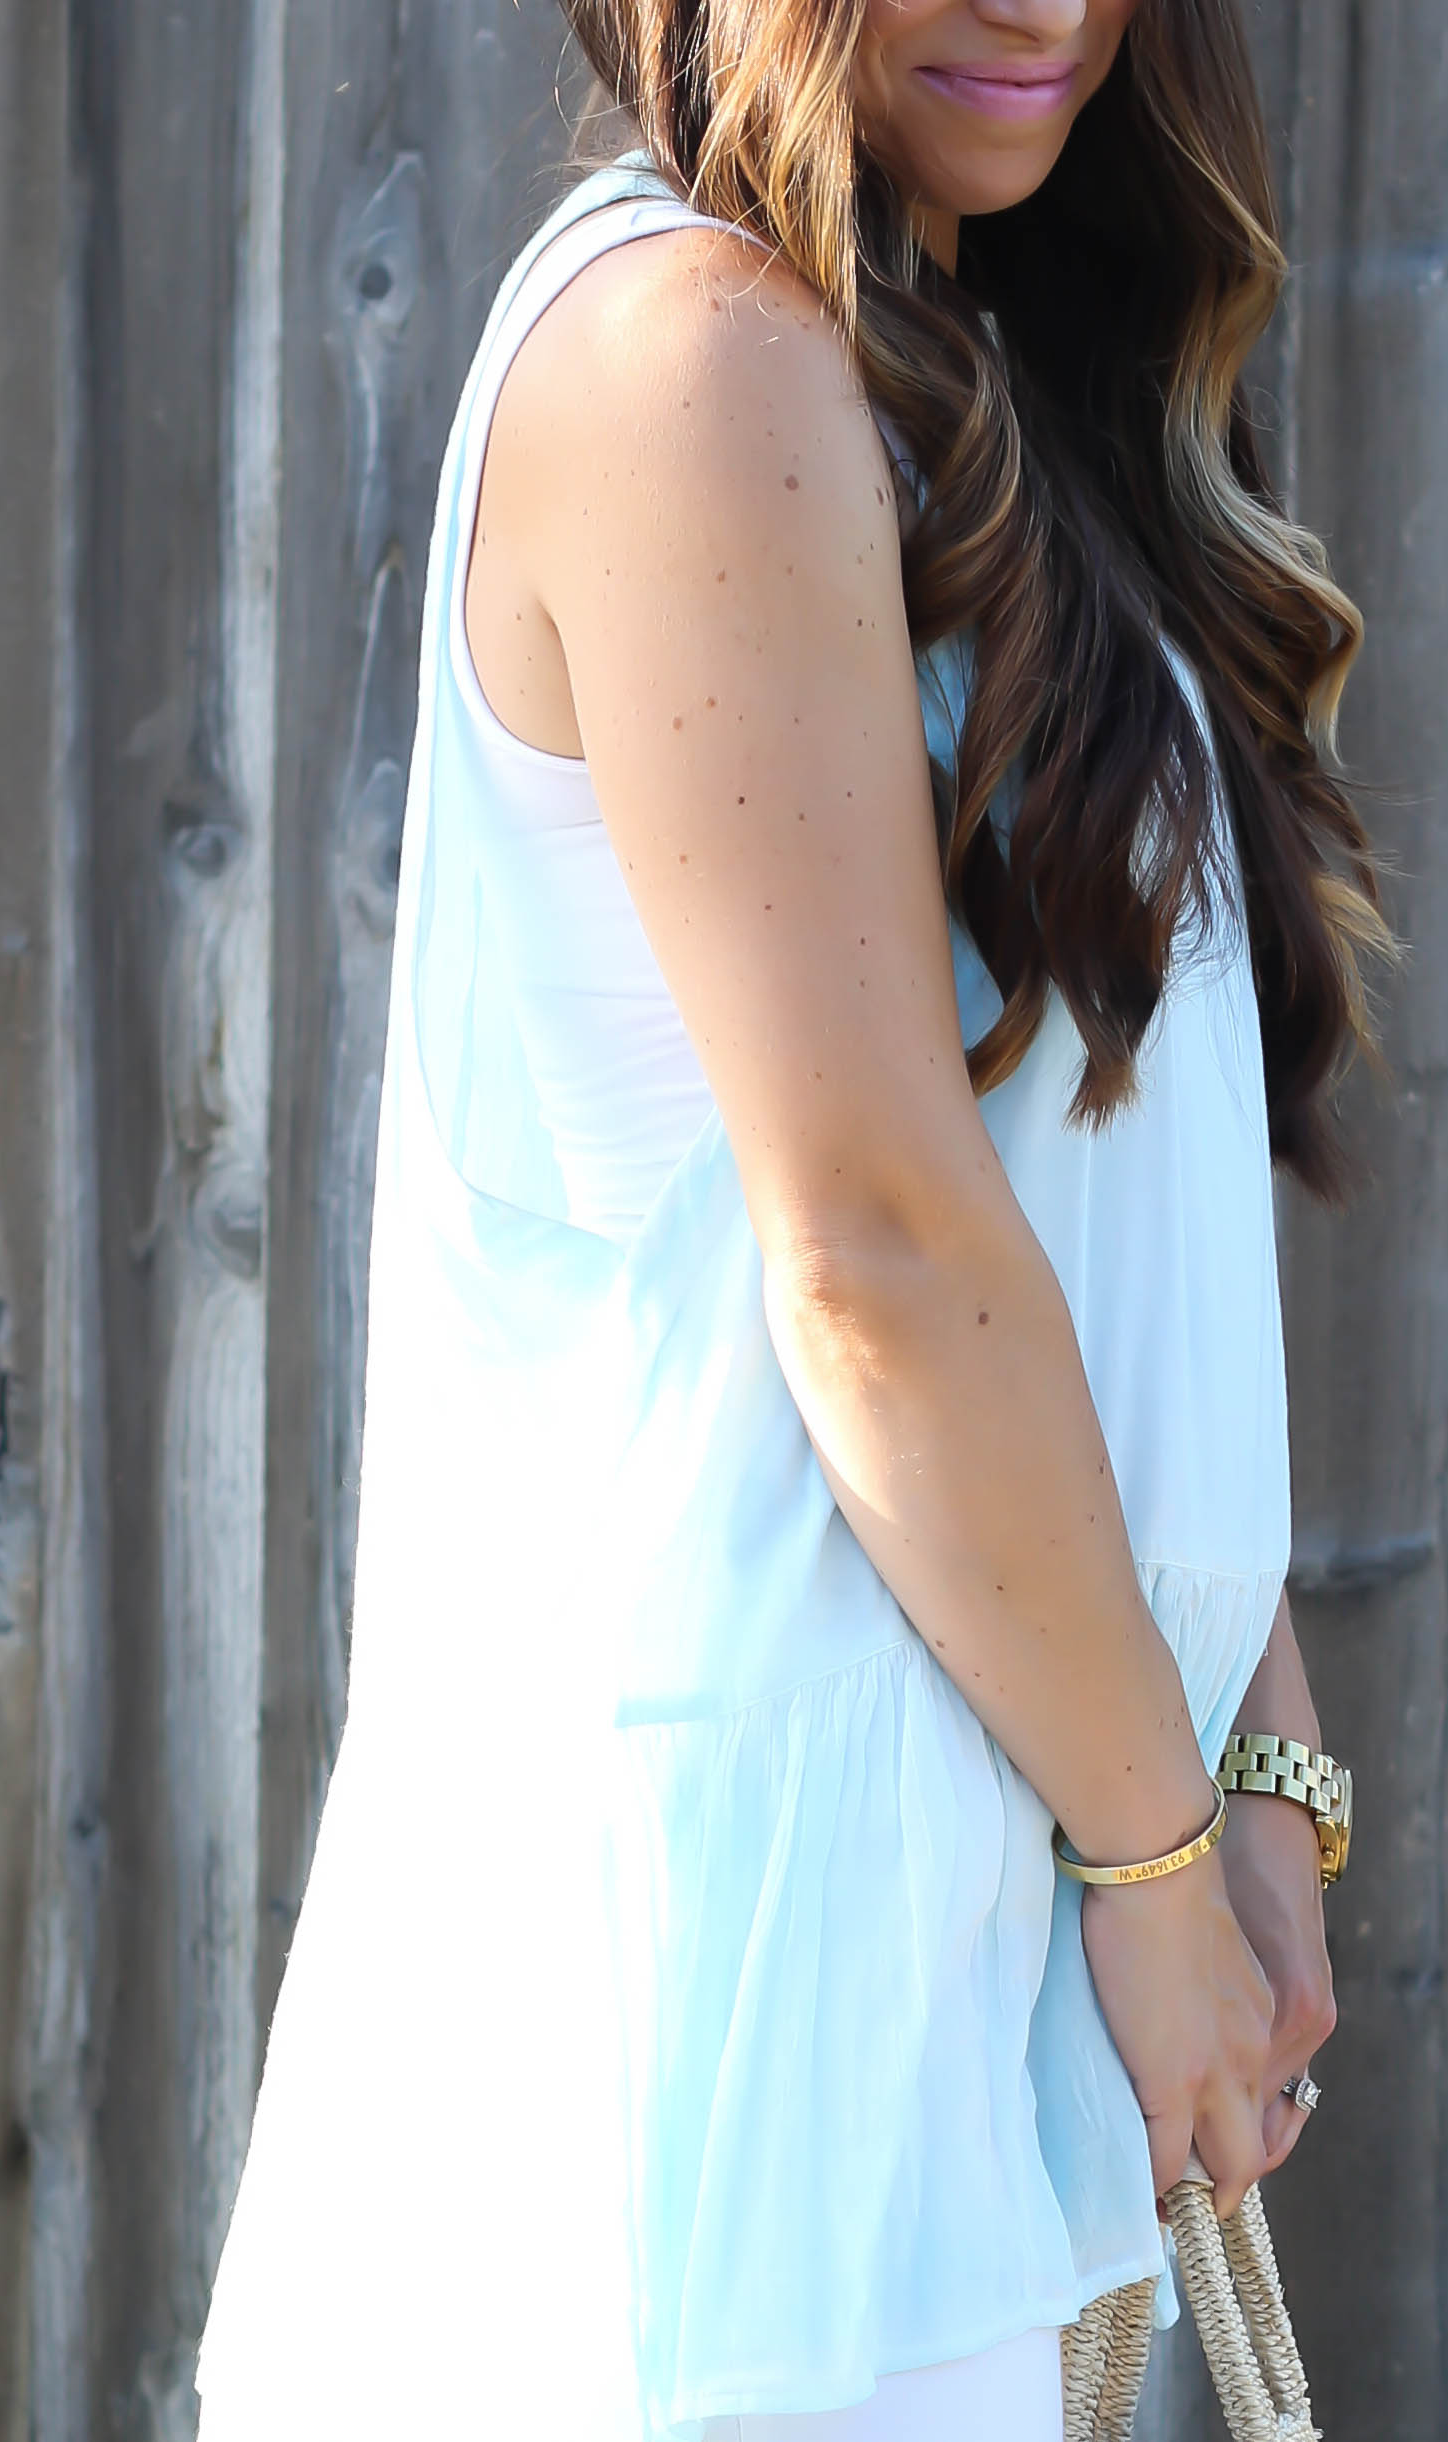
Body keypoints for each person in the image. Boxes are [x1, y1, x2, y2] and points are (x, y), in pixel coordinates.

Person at [196, 4, 1387, 2436]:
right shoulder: (696, 365)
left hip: (941, 1951)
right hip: (737, 2067)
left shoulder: (956, 378)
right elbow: (873, 1251)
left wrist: (1254, 1774)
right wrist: (1161, 1859)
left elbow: (1088, 1219)